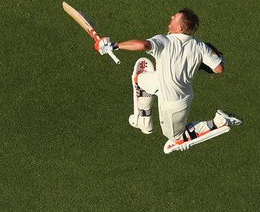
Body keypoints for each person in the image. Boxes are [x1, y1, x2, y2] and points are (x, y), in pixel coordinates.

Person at [95, 8, 242, 153]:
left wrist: (115, 45)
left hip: (174, 103)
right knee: (139, 78)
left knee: (175, 138)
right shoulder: (200, 46)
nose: (171, 16)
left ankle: (219, 121)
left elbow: (143, 45)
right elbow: (219, 69)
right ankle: (144, 122)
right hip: (166, 84)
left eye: (175, 17)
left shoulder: (164, 40)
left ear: (179, 27)